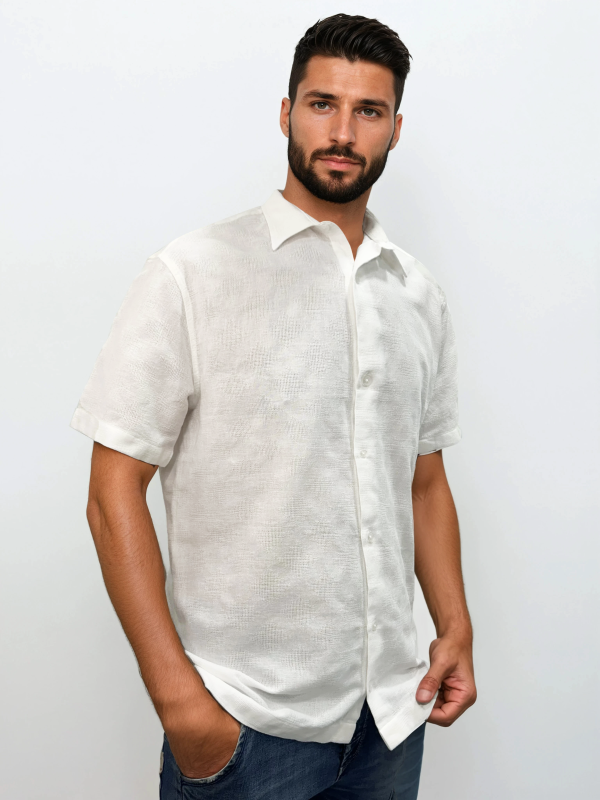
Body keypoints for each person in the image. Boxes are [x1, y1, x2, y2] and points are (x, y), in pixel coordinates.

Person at [71, 13, 476, 800]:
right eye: (323, 104)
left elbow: (424, 481)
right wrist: (181, 705)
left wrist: (454, 625)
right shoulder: (193, 273)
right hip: (247, 724)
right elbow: (111, 491)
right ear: (287, 112)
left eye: (368, 111)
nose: (343, 132)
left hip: (391, 719)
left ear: (395, 129)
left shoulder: (417, 295)